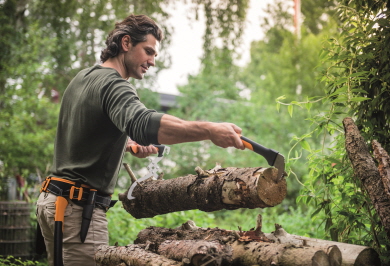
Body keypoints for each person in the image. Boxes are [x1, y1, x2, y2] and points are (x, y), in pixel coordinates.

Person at [36, 14, 244, 266]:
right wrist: (209, 130)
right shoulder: (115, 85)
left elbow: (85, 131)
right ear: (126, 43)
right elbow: (144, 123)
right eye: (148, 51)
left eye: (155, 55)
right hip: (77, 210)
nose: (152, 61)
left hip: (52, 202)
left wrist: (126, 143)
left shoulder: (83, 78)